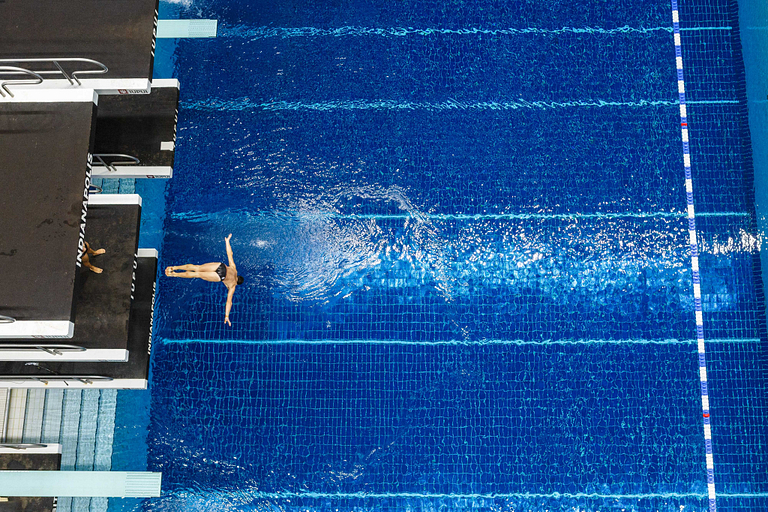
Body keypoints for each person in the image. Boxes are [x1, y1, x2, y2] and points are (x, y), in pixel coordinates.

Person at [165, 234, 243, 326]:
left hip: (221, 266)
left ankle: (174, 267)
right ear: (237, 283)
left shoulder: (234, 269)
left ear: (238, 276)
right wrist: (227, 316)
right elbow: (229, 301)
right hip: (221, 276)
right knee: (197, 274)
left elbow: (230, 255)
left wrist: (227, 241)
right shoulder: (233, 286)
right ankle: (174, 274)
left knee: (197, 267)